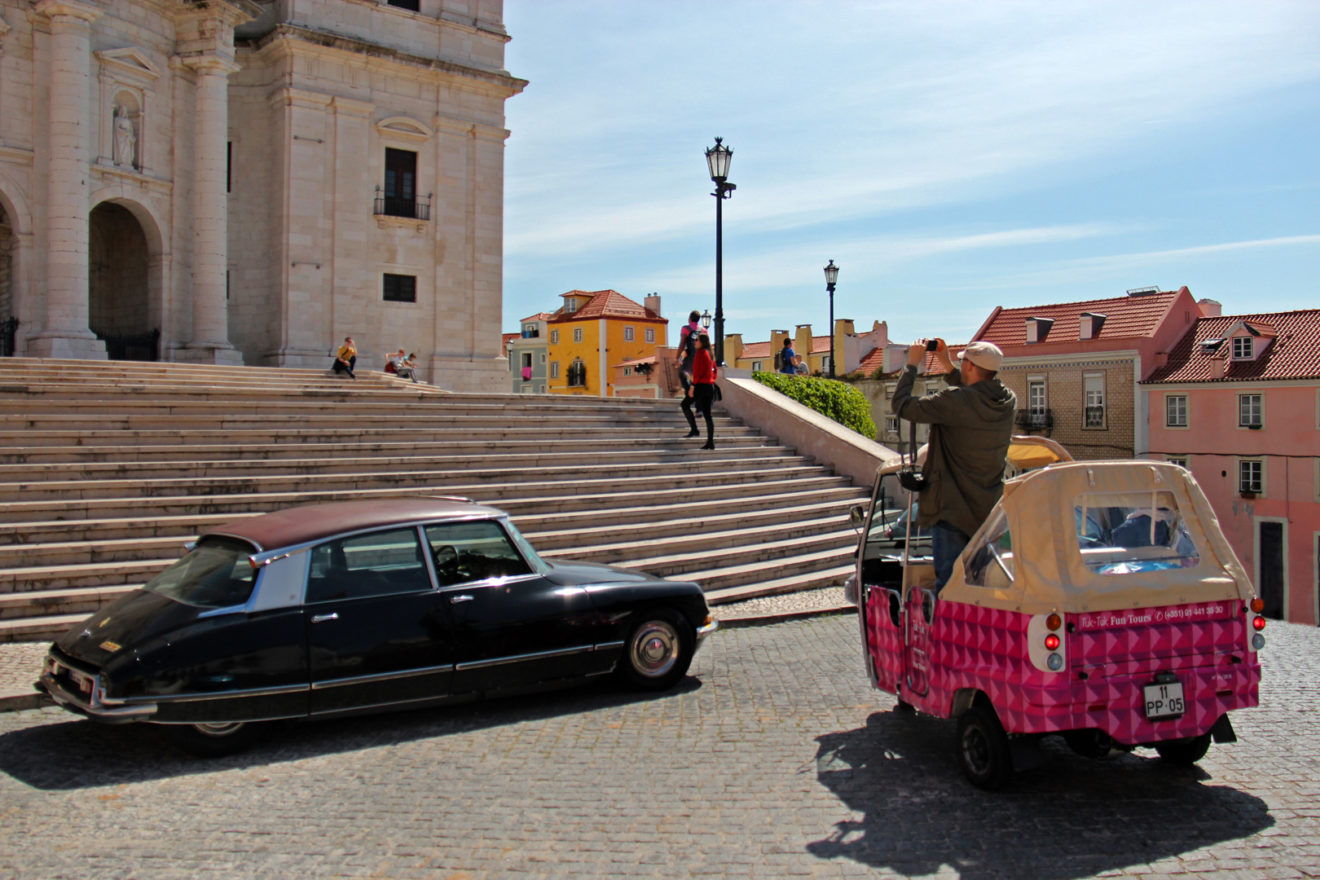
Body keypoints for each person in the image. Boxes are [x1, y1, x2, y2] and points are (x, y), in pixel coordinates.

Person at [891, 339, 1016, 590]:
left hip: (951, 510)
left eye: (963, 362)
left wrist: (911, 364)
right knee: (983, 585)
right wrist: (947, 365)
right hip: (988, 510)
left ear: (969, 366)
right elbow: (975, 394)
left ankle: (945, 629)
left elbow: (902, 405)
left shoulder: (955, 401)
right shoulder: (1007, 401)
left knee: (949, 587)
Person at [685, 332, 718, 449]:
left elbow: (697, 372)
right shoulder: (710, 353)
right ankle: (710, 442)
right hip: (709, 386)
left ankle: (694, 430)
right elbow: (715, 370)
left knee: (684, 405)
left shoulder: (700, 353)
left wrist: (692, 387)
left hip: (700, 386)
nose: (694, 342)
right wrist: (711, 380)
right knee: (708, 415)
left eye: (697, 340)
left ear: (702, 342)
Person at [674, 311, 703, 414]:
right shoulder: (703, 330)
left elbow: (682, 344)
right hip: (701, 359)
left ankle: (689, 395)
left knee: (682, 375)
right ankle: (699, 409)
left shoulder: (686, 328)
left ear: (690, 318)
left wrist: (677, 358)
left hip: (690, 358)